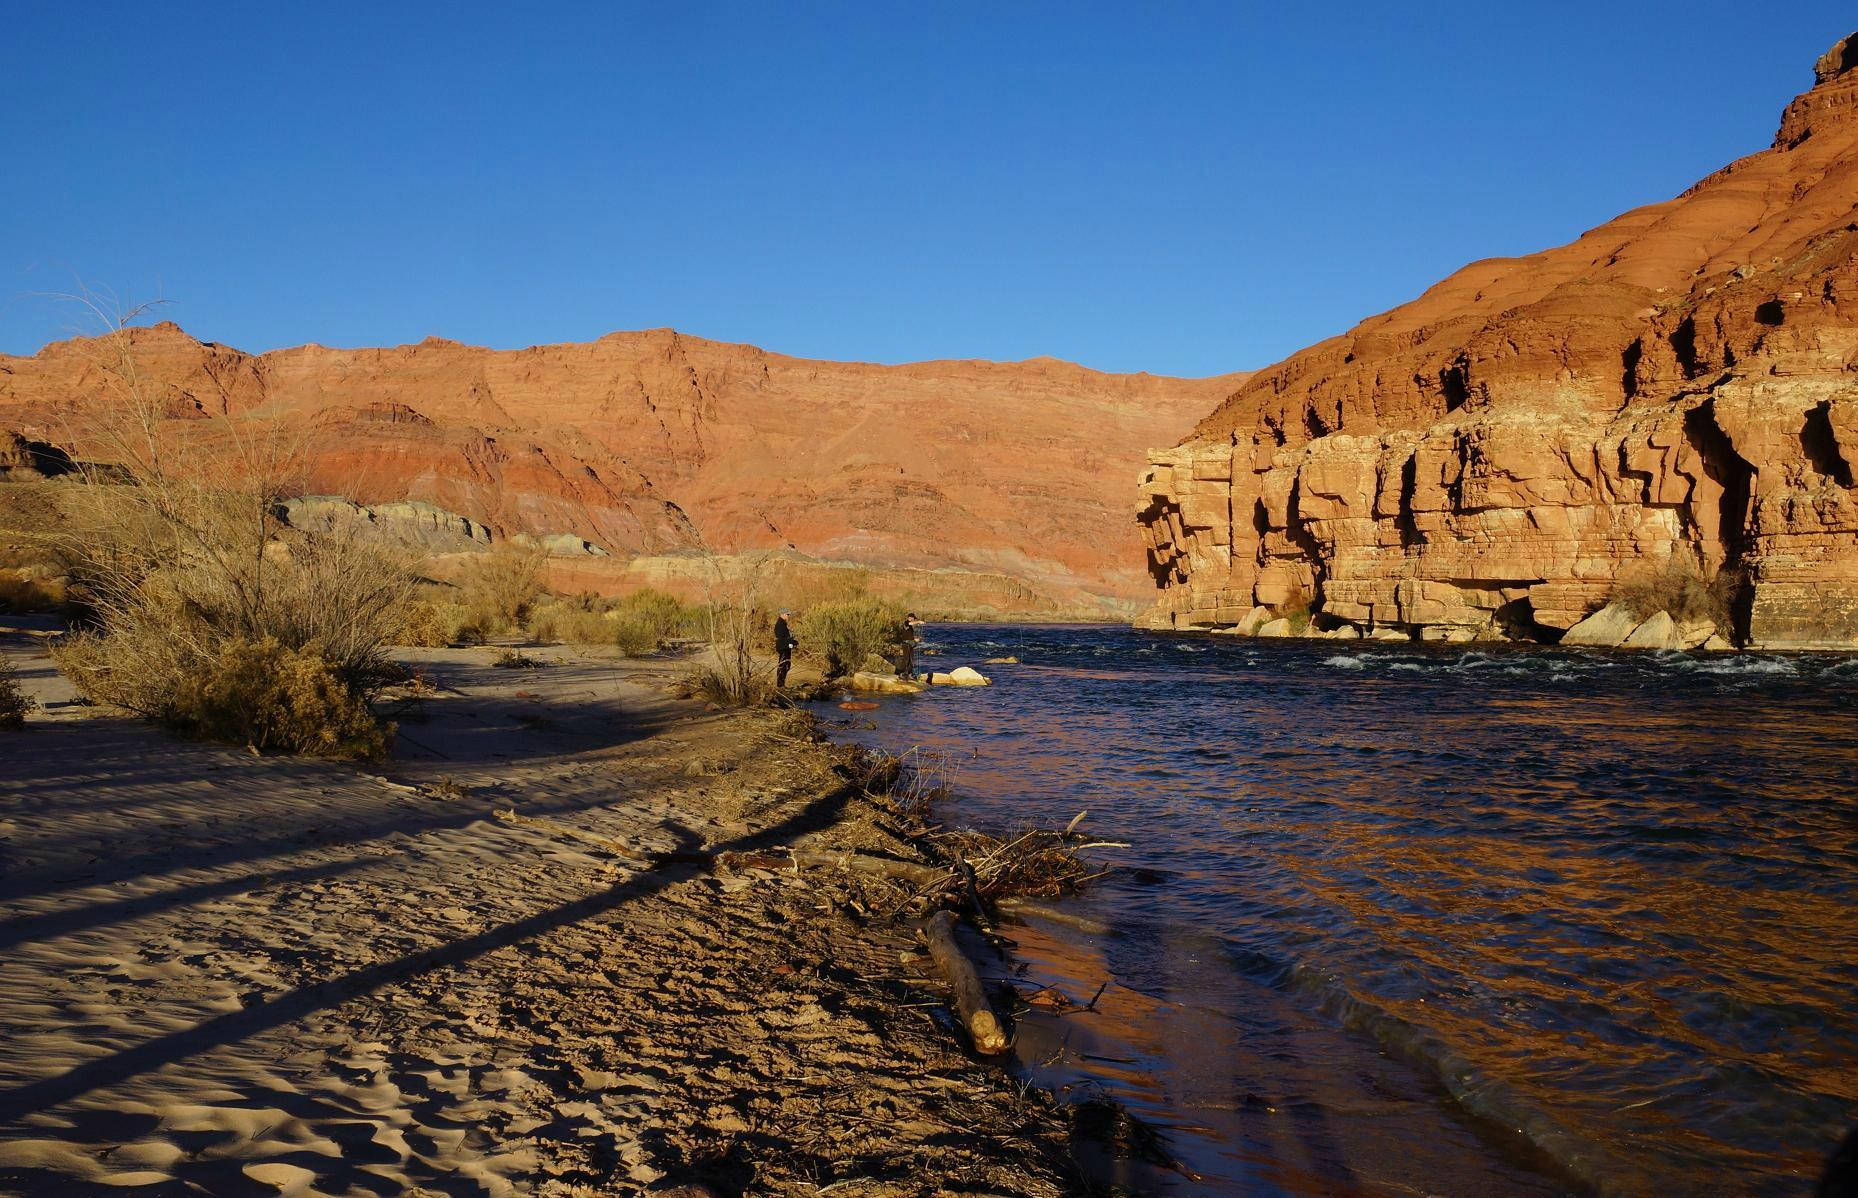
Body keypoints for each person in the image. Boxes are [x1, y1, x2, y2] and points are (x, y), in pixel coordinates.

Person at [773, 610, 798, 688]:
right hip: (783, 648)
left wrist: (792, 642)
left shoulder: (783, 623)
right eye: (787, 614)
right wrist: (792, 641)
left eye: (788, 614)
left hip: (786, 647)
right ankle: (780, 685)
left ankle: (781, 684)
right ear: (782, 614)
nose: (788, 616)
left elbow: (786, 637)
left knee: (787, 665)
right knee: (783, 665)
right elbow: (780, 638)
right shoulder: (780, 624)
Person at [897, 612, 923, 679]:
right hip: (906, 644)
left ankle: (909, 674)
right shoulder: (906, 623)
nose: (913, 619)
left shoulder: (910, 627)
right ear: (910, 618)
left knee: (911, 660)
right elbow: (909, 623)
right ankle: (900, 673)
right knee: (906, 659)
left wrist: (916, 639)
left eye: (914, 618)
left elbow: (909, 635)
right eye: (913, 618)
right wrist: (919, 622)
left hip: (911, 644)